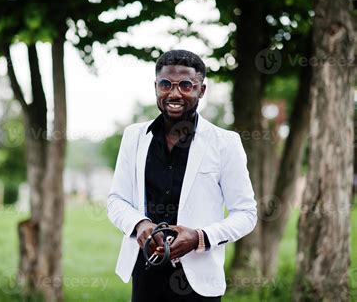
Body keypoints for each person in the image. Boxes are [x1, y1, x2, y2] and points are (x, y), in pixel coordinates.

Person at [106, 50, 257, 301]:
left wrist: (200, 237)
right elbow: (116, 201)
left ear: (202, 90)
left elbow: (246, 214)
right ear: (156, 87)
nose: (174, 93)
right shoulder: (133, 137)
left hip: (199, 281)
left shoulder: (225, 143)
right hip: (146, 273)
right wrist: (139, 225)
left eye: (186, 85)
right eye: (166, 84)